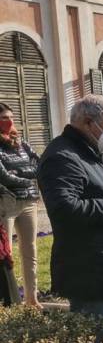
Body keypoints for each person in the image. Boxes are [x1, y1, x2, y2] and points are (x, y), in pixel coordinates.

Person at [38, 95, 103, 336]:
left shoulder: (91, 152)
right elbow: (65, 209)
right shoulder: (62, 157)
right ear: (88, 122)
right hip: (91, 273)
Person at [0, 102, 41, 307]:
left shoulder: (22, 143)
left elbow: (38, 165)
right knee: (6, 252)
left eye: (11, 117)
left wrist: (22, 174)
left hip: (29, 201)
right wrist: (27, 177)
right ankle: (9, 299)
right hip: (6, 204)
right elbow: (4, 177)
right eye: (4, 118)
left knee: (30, 250)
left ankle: (31, 298)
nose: (10, 121)